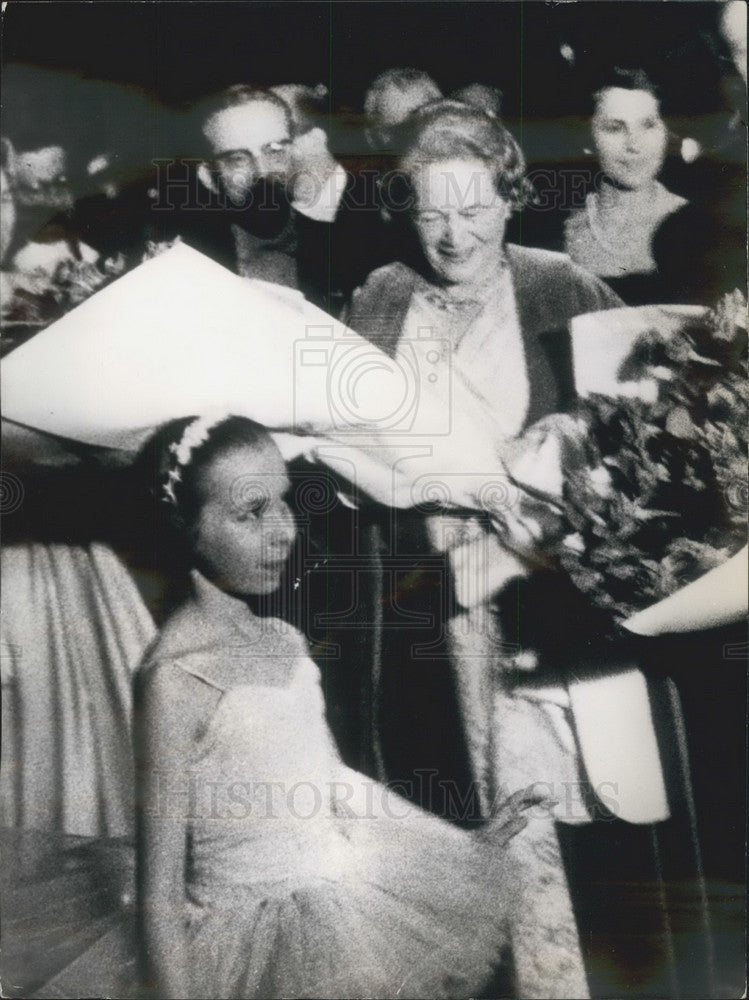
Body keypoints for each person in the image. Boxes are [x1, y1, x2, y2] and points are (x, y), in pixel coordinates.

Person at [346, 99, 624, 998]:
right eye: (431, 212)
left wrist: (559, 449)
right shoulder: (381, 296)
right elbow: (343, 439)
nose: (452, 233)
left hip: (544, 602)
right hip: (428, 605)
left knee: (545, 812)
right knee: (447, 816)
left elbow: (641, 412)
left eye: (472, 209)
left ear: (509, 201)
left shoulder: (558, 284)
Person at [134, 413, 544, 1000]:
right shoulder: (174, 677)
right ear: (184, 527)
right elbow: (159, 895)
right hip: (247, 954)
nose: (283, 531)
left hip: (341, 911)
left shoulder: (282, 637)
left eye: (283, 502)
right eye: (251, 513)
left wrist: (462, 845)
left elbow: (331, 783)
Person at [563, 67, 688, 304]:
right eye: (614, 128)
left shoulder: (702, 226)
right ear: (587, 139)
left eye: (648, 125)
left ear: (666, 132)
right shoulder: (562, 232)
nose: (634, 144)